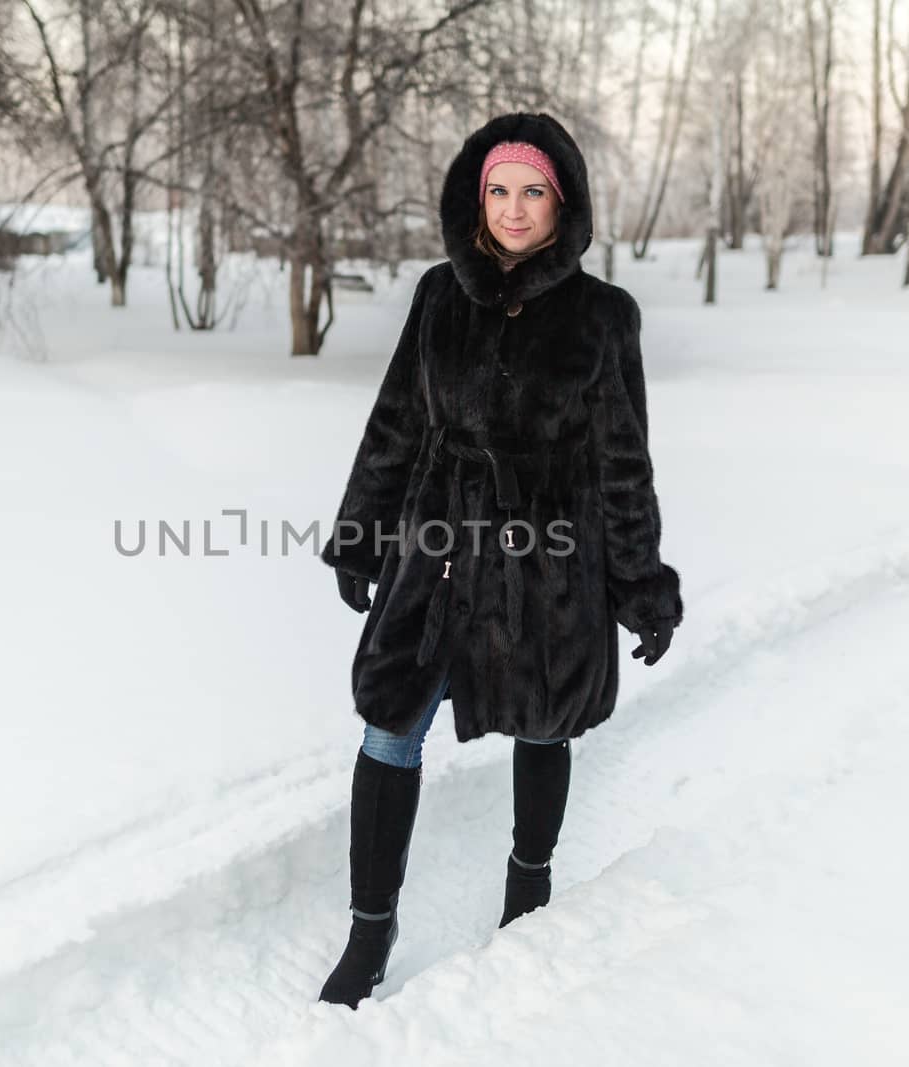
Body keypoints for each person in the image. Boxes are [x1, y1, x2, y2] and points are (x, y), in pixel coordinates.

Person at [316, 111, 684, 1009]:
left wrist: (640, 583)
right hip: (436, 552)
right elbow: (398, 417)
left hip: (547, 559)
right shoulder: (441, 294)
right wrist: (363, 528)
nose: (513, 210)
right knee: (388, 729)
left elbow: (623, 462)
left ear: (563, 203)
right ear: (473, 198)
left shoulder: (603, 318)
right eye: (497, 190)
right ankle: (371, 930)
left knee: (543, 723)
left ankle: (529, 880)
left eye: (531, 192)